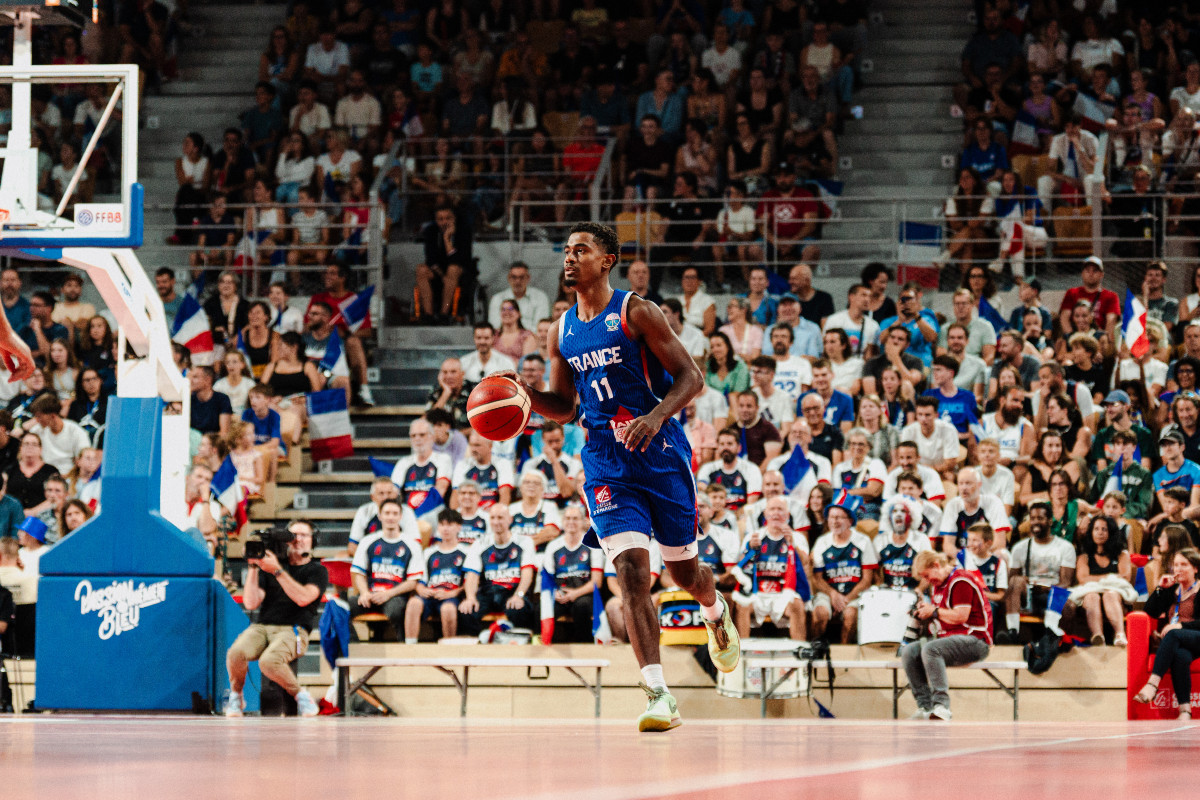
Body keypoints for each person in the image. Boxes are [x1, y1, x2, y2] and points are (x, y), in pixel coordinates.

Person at [511, 222, 739, 732]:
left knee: (684, 575)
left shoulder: (636, 311)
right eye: (566, 251)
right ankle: (658, 693)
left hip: (660, 453)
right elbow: (565, 406)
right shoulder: (561, 330)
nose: (570, 258)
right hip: (605, 462)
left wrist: (655, 416)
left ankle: (713, 609)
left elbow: (692, 377)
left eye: (582, 250)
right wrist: (524, 397)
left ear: (607, 260)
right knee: (633, 573)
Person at [224, 519, 328, 718]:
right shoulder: (270, 566)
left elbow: (303, 598)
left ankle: (301, 696)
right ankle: (236, 697)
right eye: (293, 535)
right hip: (263, 627)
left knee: (269, 661)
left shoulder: (317, 571)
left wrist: (277, 571)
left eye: (304, 535)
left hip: (294, 629)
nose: (298, 540)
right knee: (235, 653)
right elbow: (251, 603)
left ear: (313, 541)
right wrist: (254, 566)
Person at [901, 550, 993, 721]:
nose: (927, 581)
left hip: (976, 639)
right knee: (909, 652)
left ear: (936, 565)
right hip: (948, 640)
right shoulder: (937, 584)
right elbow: (940, 618)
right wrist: (923, 613)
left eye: (927, 575)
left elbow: (960, 616)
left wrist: (933, 611)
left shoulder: (961, 580)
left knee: (931, 649)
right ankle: (925, 706)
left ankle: (941, 706)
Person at [1133, 548, 1200, 719]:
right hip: (1180, 642)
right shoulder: (1172, 590)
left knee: (1172, 633)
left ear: (1195, 568)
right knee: (1180, 656)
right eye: (1176, 565)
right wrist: (1160, 588)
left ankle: (1152, 685)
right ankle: (1185, 710)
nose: (1178, 569)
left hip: (1195, 636)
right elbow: (1150, 611)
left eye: (1184, 565)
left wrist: (1180, 626)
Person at [732, 496, 809, 639]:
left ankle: (800, 649)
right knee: (742, 603)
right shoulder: (754, 537)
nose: (776, 513)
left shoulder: (797, 537)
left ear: (787, 515)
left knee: (797, 605)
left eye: (780, 509)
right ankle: (742, 649)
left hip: (784, 591)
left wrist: (792, 544)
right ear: (765, 514)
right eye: (772, 509)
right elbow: (740, 566)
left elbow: (805, 562)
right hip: (758, 591)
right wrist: (750, 549)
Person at [350, 498, 423, 640]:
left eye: (395, 513)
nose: (391, 517)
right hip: (370, 595)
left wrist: (388, 594)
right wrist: (364, 593)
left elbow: (412, 582)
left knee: (396, 610)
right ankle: (352, 645)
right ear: (380, 515)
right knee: (343, 607)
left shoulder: (412, 544)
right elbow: (358, 573)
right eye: (387, 513)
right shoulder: (367, 541)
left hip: (395, 595)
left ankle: (403, 647)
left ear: (400, 517)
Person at [1005, 503, 1076, 640]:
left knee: (1069, 605)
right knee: (1015, 581)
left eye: (1040, 518)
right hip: (1028, 595)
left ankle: (1053, 637)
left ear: (1050, 521)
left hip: (1051, 593)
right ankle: (1012, 632)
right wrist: (1023, 580)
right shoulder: (1020, 547)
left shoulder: (1065, 547)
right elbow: (1011, 581)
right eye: (1032, 518)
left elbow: (1066, 582)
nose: (1035, 522)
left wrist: (1044, 588)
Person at [810, 501, 877, 643]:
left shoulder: (863, 541)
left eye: (839, 517)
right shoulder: (822, 542)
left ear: (850, 521)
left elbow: (867, 580)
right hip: (829, 593)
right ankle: (816, 648)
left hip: (854, 593)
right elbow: (817, 579)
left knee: (851, 615)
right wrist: (833, 595)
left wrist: (845, 600)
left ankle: (844, 652)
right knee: (819, 613)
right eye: (831, 517)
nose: (835, 521)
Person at [405, 508, 469, 642]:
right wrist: (421, 589)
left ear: (459, 527)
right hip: (431, 594)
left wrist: (453, 593)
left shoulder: (466, 551)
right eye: (442, 524)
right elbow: (420, 580)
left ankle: (449, 648)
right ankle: (410, 646)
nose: (445, 529)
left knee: (448, 609)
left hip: (451, 595)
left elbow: (471, 582)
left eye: (449, 525)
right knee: (413, 604)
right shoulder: (429, 552)